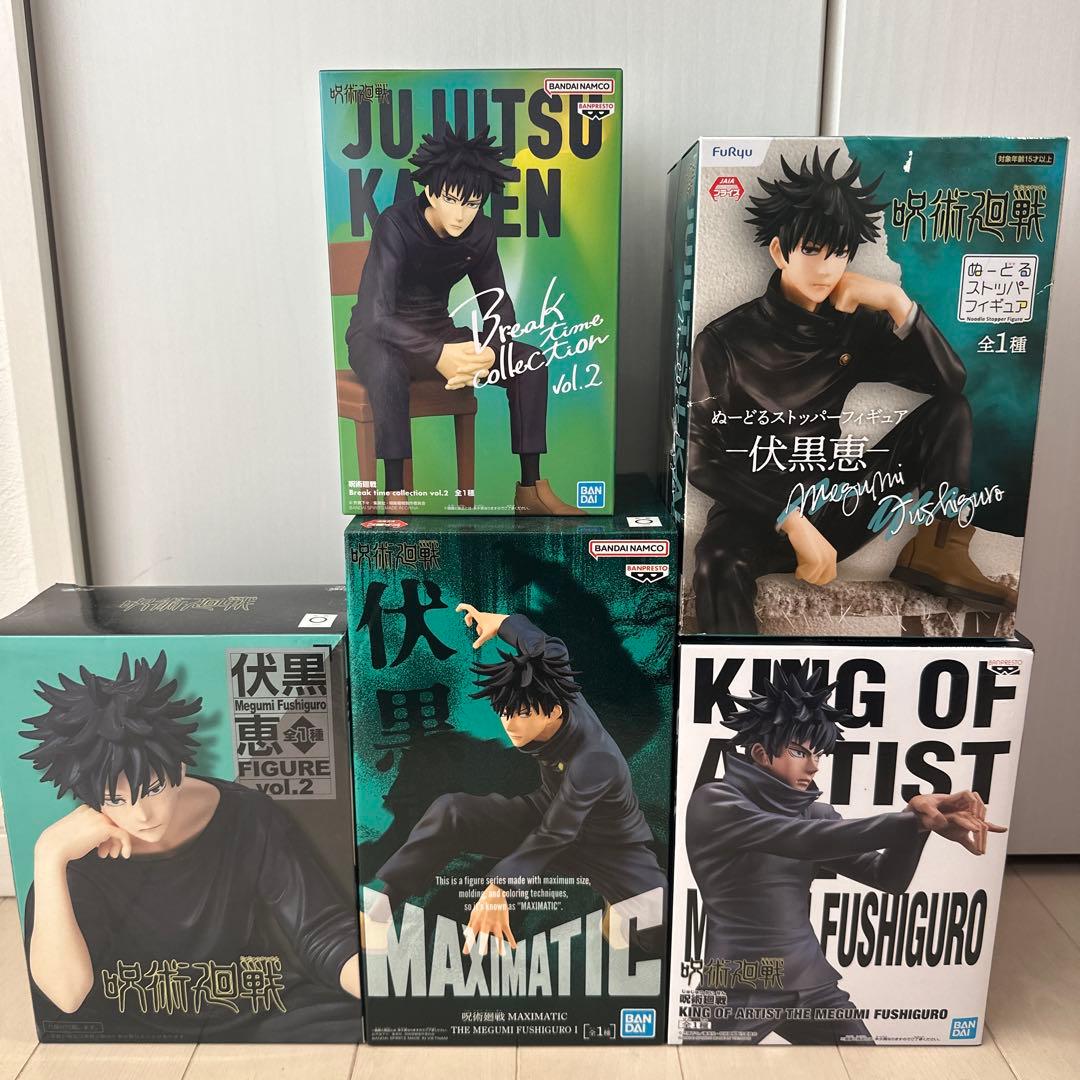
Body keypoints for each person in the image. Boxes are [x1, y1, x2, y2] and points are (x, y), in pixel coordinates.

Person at [689, 148, 1015, 633]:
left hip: (835, 501)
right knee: (716, 560)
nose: (827, 268)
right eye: (812, 250)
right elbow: (699, 461)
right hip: (755, 511)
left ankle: (940, 549)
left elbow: (949, 383)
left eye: (839, 253)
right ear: (779, 251)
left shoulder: (852, 326)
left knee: (952, 411)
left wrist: (897, 303)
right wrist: (791, 518)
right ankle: (738, 679)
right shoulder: (722, 341)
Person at [19, 652, 361, 1041]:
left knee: (359, 1020)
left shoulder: (246, 814)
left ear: (179, 768)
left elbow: (321, 931)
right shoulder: (76, 857)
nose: (141, 814)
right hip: (129, 1027)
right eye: (115, 799)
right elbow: (66, 997)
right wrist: (48, 856)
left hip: (252, 1007)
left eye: (152, 789)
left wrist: (384, 995)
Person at [685, 662, 1006, 1044]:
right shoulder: (716, 802)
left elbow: (887, 878)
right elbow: (804, 841)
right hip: (740, 983)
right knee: (702, 1064)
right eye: (799, 751)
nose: (813, 767)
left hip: (811, 981)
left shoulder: (813, 813)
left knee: (863, 1057)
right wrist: (909, 823)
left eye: (818, 754)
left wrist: (920, 823)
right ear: (760, 752)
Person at [365, 604, 666, 957]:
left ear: (554, 711)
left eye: (522, 714)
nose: (510, 724)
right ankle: (378, 914)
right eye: (505, 712)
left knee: (658, 930)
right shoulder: (550, 673)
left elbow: (556, 833)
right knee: (452, 811)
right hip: (546, 808)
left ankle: (620, 907)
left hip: (611, 848)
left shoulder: (595, 760)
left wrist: (499, 889)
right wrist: (500, 622)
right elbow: (545, 643)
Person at [346, 123, 582, 515]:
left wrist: (490, 350)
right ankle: (396, 496)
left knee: (529, 361)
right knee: (388, 368)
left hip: (438, 332)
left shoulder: (480, 232)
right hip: (378, 338)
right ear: (430, 191)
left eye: (472, 203)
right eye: (452, 200)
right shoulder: (395, 224)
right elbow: (376, 316)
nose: (460, 214)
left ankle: (531, 490)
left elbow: (498, 305)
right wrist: (438, 354)